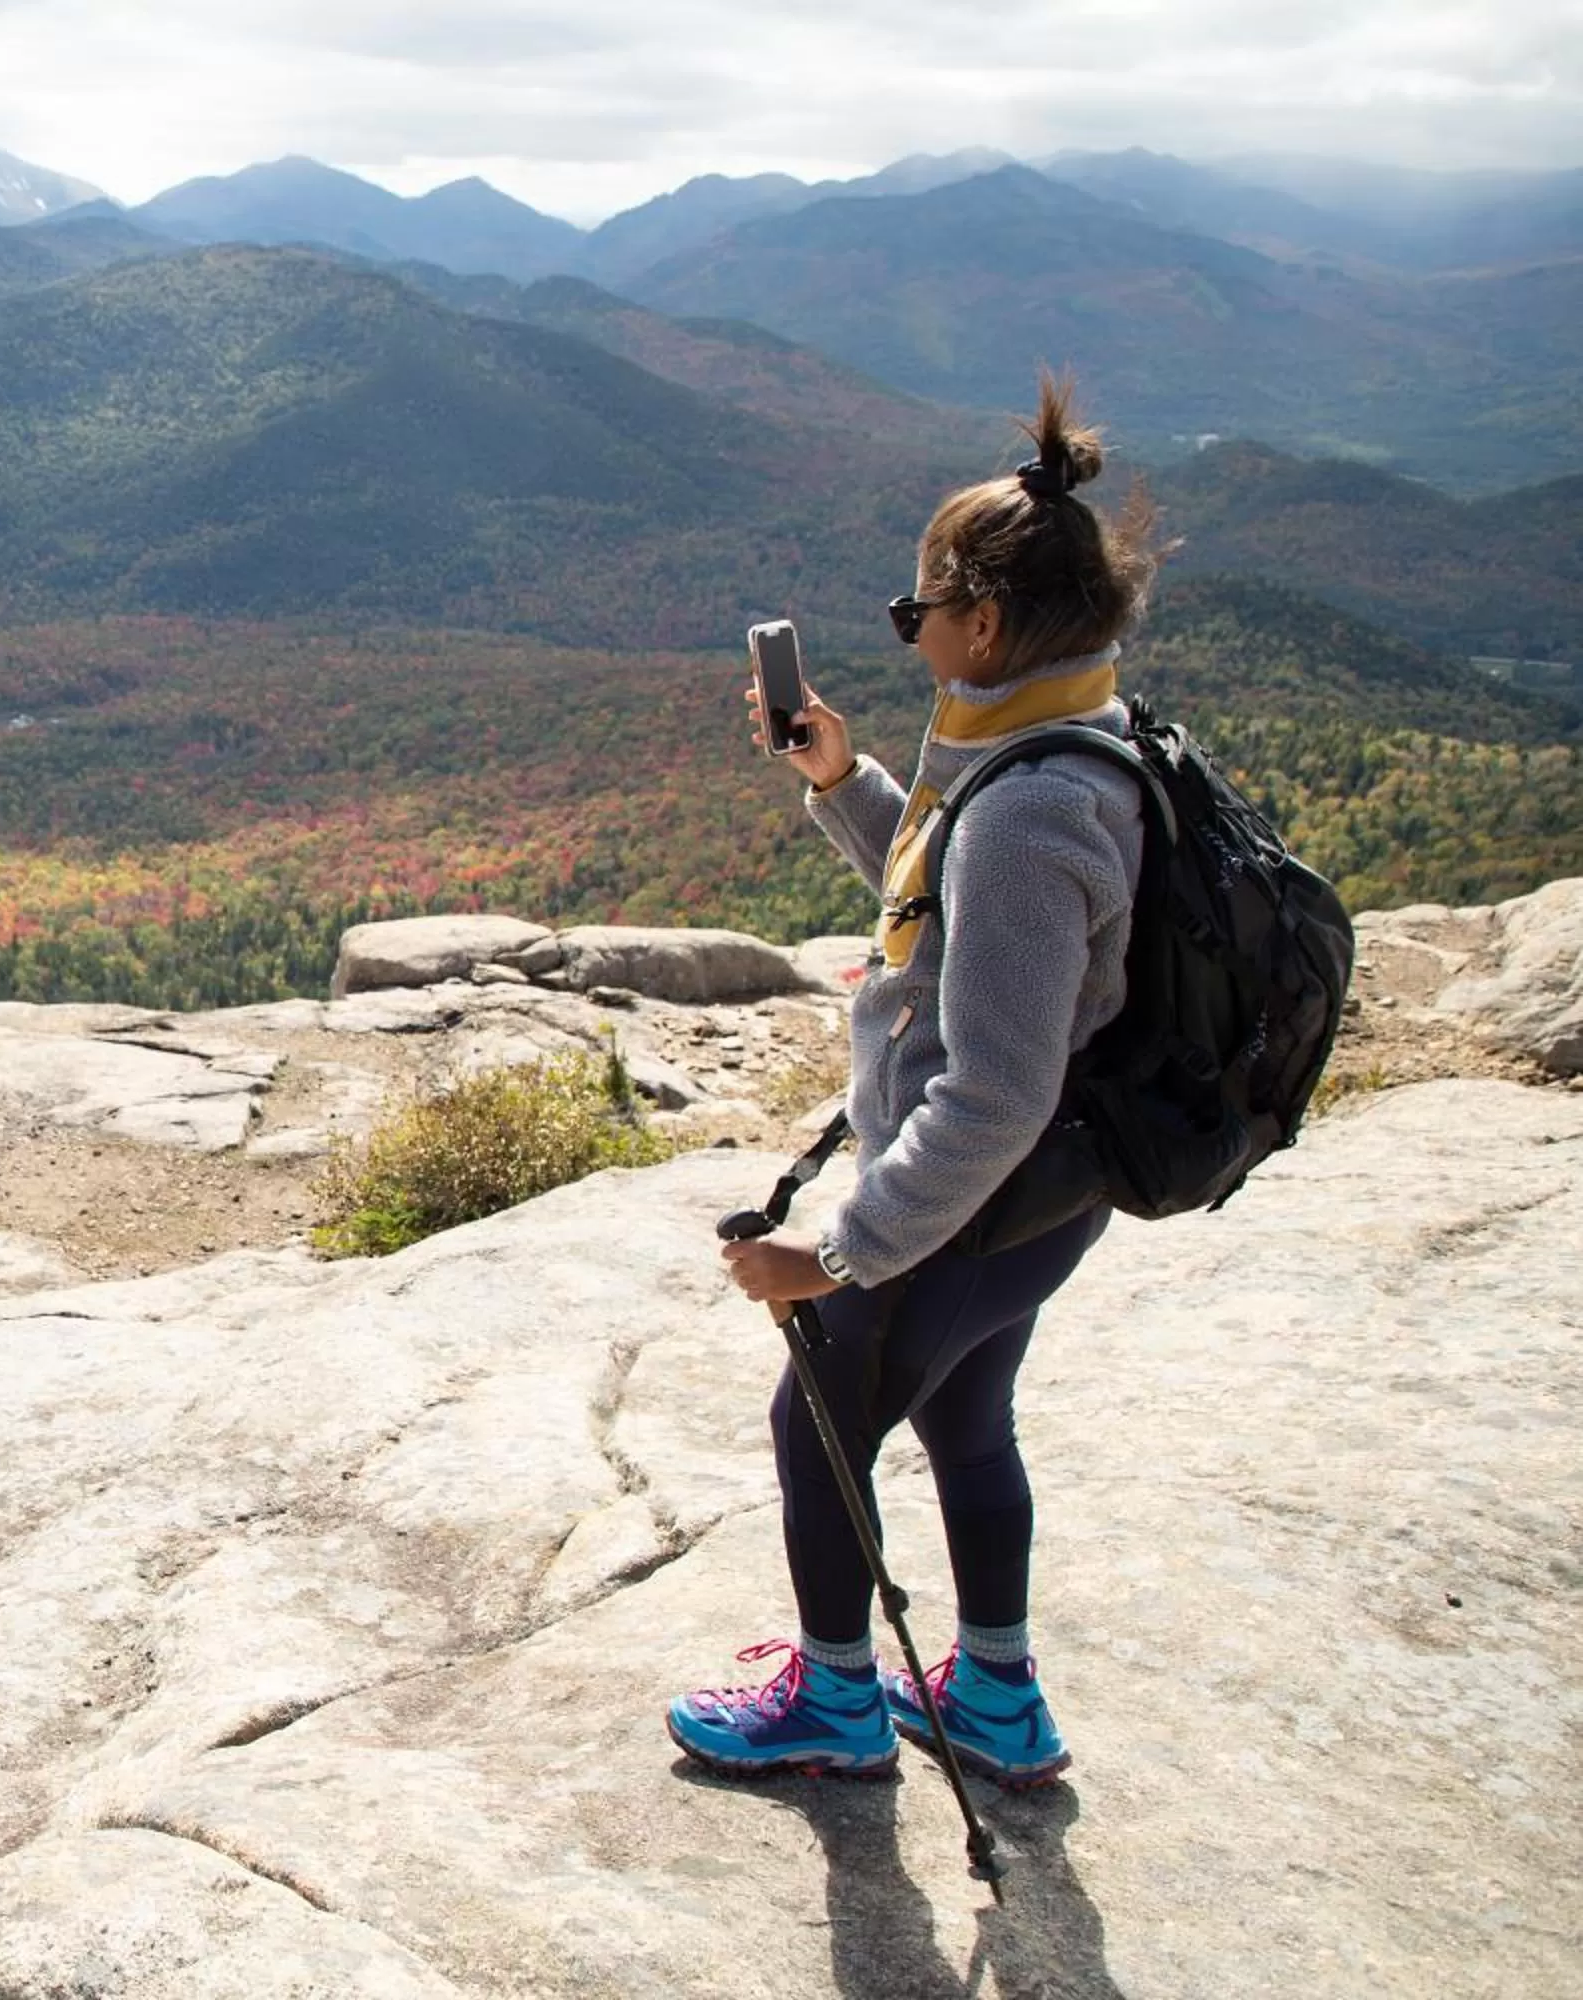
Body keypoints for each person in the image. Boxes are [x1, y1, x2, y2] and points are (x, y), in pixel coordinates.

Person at [665, 376, 1163, 1787]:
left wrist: (837, 1250)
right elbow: (949, 907)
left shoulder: (1028, 807)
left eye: (919, 611)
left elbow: (990, 1091)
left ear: (985, 626)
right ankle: (998, 1699)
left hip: (971, 1197)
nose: (916, 629)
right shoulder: (1066, 753)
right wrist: (844, 779)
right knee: (963, 1412)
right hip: (1039, 1200)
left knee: (813, 1422)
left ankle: (833, 1702)